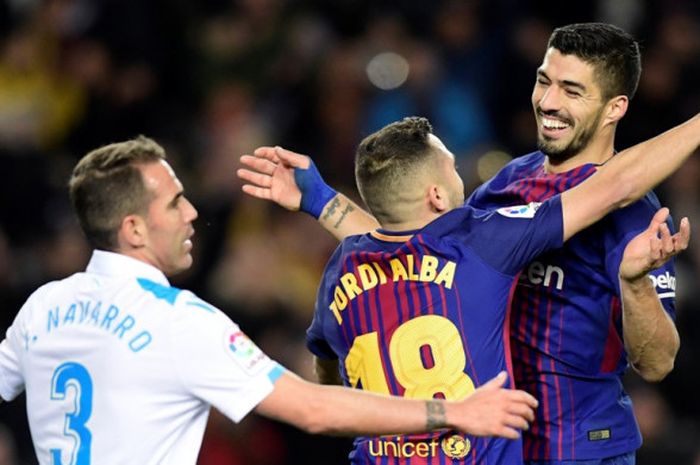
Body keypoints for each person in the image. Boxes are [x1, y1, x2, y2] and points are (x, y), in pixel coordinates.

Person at [238, 23, 693, 465]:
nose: (548, 102)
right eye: (543, 81)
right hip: (484, 442)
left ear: (615, 108)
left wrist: (634, 285)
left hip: (577, 449)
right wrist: (320, 201)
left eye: (572, 91)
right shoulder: (507, 183)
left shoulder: (637, 216)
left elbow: (657, 364)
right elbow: (413, 252)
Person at [0, 137, 542, 465]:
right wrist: (456, 411)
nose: (192, 213)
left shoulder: (42, 308)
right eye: (175, 202)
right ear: (135, 228)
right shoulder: (179, 322)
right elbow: (313, 408)